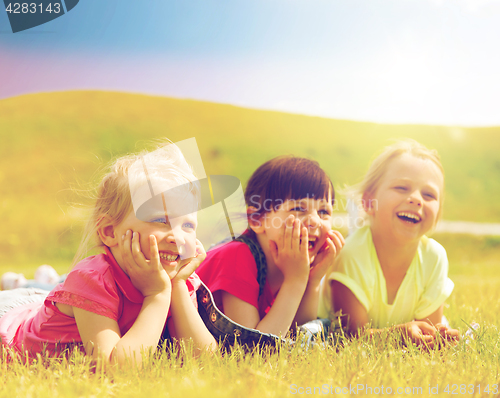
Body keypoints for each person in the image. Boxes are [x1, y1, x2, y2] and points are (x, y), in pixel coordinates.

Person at [0, 140, 217, 364]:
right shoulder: (93, 279)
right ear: (110, 232)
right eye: (161, 220)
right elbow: (116, 369)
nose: (178, 237)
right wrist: (158, 295)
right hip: (10, 328)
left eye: (188, 226)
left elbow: (205, 359)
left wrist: (177, 287)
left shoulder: (178, 278)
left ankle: (28, 285)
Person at [318, 139, 459, 347]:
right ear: (368, 203)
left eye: (429, 194)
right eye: (402, 187)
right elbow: (349, 337)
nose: (416, 199)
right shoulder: (352, 253)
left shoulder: (434, 257)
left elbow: (428, 330)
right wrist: (399, 336)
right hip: (328, 328)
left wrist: (435, 338)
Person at [197, 156, 345, 337]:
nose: (314, 221)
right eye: (298, 209)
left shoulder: (291, 263)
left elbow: (296, 336)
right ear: (257, 219)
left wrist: (311, 280)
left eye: (323, 212)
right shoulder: (236, 256)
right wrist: (295, 281)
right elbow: (252, 348)